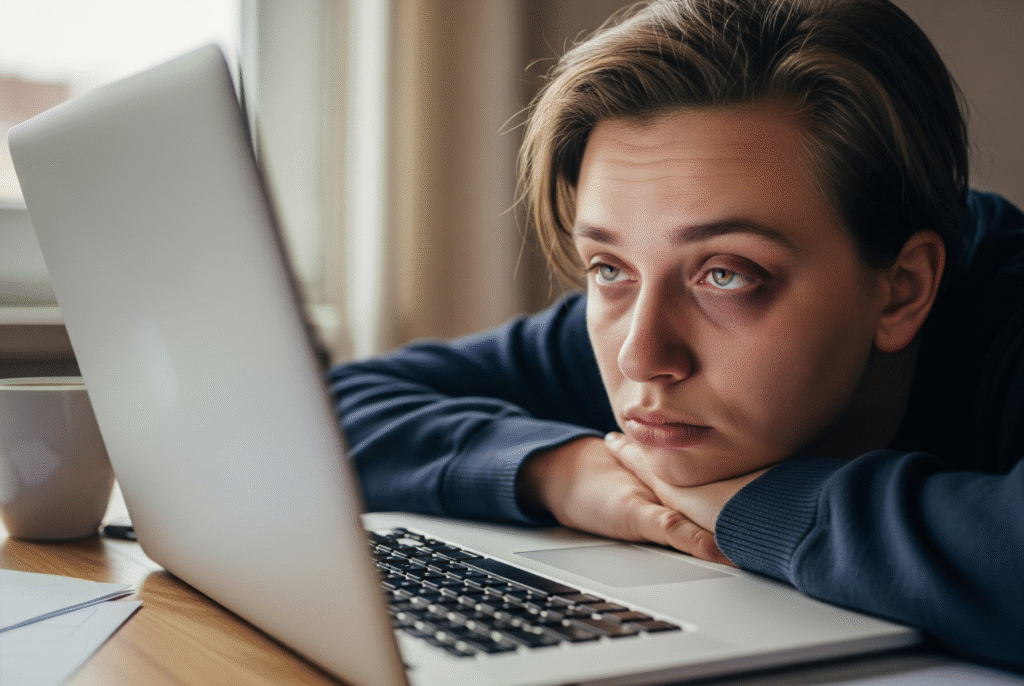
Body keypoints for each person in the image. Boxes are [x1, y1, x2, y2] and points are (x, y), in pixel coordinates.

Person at [329, 0, 1024, 670]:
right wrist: (568, 473)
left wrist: (753, 507)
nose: (642, 355)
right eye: (608, 266)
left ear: (901, 288)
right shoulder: (638, 321)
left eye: (726, 275)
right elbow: (324, 410)